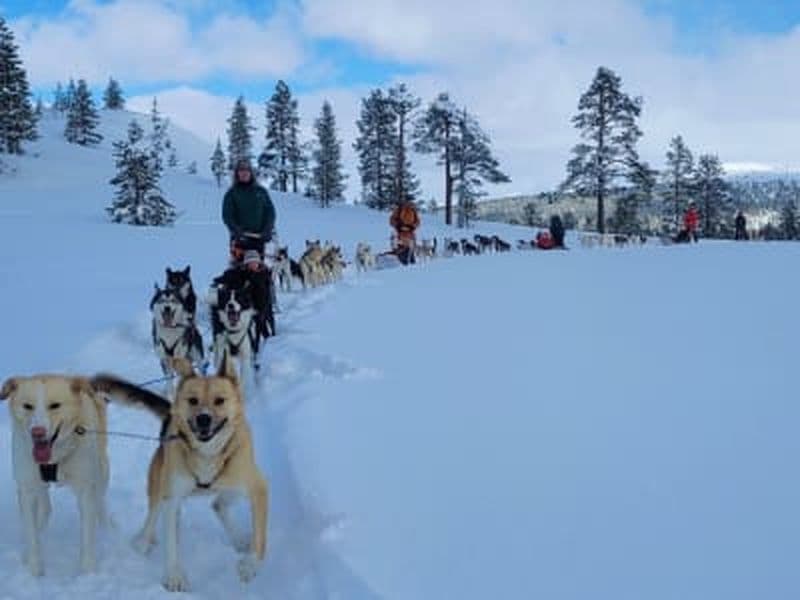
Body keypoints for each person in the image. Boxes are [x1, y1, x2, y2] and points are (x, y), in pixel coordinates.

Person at [222, 159, 276, 337]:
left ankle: (263, 308)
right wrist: (237, 231)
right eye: (241, 171)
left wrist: (267, 229)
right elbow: (227, 215)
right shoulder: (232, 194)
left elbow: (270, 211)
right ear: (237, 174)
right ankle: (236, 307)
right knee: (238, 273)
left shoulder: (260, 192)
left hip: (259, 239)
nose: (244, 173)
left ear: (251, 173)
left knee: (260, 274)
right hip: (240, 241)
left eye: (247, 171)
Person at [390, 199, 420, 265]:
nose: (408, 204)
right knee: (400, 248)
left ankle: (411, 261)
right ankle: (401, 261)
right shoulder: (398, 210)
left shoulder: (413, 211)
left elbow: (417, 222)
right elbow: (392, 220)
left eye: (409, 203)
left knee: (410, 248)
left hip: (410, 234)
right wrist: (398, 225)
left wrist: (412, 227)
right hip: (400, 233)